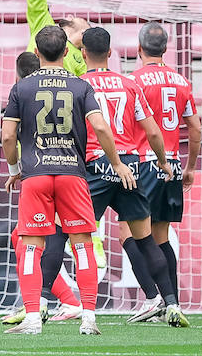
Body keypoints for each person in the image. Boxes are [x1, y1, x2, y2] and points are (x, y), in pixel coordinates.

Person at [1, 25, 133, 335]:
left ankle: (32, 318)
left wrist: (13, 169)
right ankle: (88, 318)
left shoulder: (21, 88)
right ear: (66, 52)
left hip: (35, 173)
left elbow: (8, 135)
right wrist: (117, 163)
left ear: (36, 53)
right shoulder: (81, 86)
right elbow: (101, 128)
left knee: (31, 246)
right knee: (83, 245)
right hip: (73, 173)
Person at [77, 27, 185, 326]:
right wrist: (165, 163)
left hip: (97, 167)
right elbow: (154, 130)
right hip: (133, 167)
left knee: (76, 235)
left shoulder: (80, 85)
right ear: (111, 53)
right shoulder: (131, 84)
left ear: (83, 53)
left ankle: (62, 305)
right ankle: (171, 302)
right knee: (149, 238)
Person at [0, 52, 86, 326]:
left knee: (38, 239)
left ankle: (39, 304)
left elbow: (8, 135)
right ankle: (65, 301)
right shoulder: (73, 88)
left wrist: (16, 170)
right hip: (67, 170)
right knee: (23, 237)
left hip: (53, 174)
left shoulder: (24, 94)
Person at [128, 23, 202, 325]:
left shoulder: (134, 81)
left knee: (128, 233)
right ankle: (173, 302)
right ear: (166, 49)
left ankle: (153, 299)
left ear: (139, 49)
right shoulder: (182, 81)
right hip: (170, 163)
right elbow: (196, 128)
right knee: (161, 236)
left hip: (143, 162)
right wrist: (190, 167)